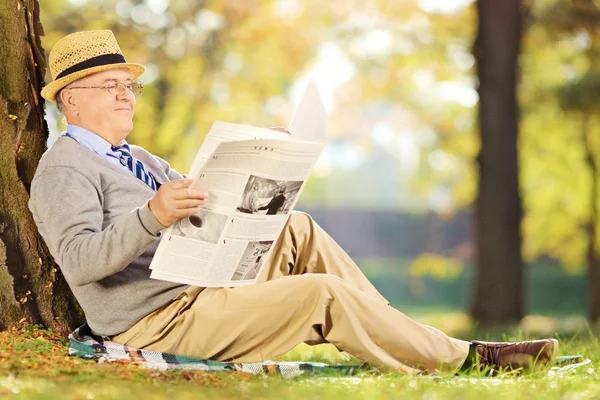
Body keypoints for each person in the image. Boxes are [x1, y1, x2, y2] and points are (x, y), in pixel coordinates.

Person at [30, 30, 558, 375]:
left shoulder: (137, 155)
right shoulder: (64, 168)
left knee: (296, 226)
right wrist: (153, 215)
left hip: (199, 288)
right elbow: (79, 262)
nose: (126, 94)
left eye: (129, 85)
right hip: (159, 319)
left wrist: (263, 161)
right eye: (110, 86)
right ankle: (468, 361)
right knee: (319, 294)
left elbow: (198, 206)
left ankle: (404, 337)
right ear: (71, 99)